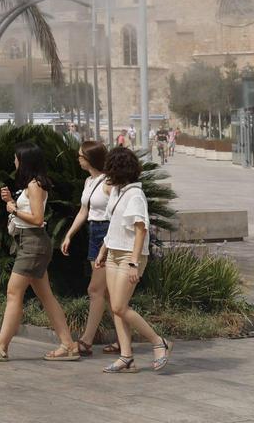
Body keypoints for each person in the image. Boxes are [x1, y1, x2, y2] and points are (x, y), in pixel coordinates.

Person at [0, 141, 80, 362]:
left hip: (33, 245)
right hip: (29, 243)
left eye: (16, 158)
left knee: (14, 293)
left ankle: (1, 346)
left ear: (24, 161)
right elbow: (30, 213)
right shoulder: (33, 184)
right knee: (46, 296)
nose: (14, 161)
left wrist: (13, 209)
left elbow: (38, 219)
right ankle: (68, 345)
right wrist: (11, 202)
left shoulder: (34, 185)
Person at [96, 147, 172, 373]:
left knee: (119, 306)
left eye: (110, 167)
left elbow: (141, 230)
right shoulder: (119, 191)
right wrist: (103, 250)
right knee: (116, 307)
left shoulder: (135, 195)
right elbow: (115, 225)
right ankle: (126, 357)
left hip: (130, 255)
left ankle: (159, 342)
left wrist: (133, 263)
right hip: (113, 253)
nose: (106, 172)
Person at [61, 140, 114, 356]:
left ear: (90, 158)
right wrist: (69, 234)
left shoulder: (108, 182)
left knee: (95, 289)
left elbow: (117, 211)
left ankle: (87, 340)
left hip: (106, 233)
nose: (78, 159)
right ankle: (123, 337)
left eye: (81, 156)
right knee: (107, 293)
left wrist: (108, 241)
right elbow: (84, 211)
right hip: (93, 232)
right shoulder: (89, 182)